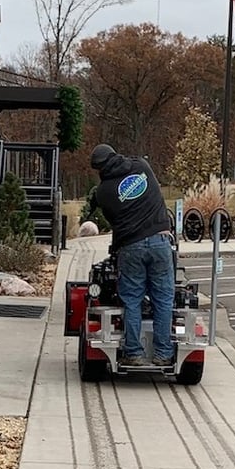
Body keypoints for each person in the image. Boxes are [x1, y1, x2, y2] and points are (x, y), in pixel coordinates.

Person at [89, 143, 175, 366]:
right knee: (163, 300)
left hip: (131, 246)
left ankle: (134, 352)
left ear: (98, 169)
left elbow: (114, 222)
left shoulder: (104, 192)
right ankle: (164, 354)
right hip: (160, 240)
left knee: (132, 300)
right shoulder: (142, 166)